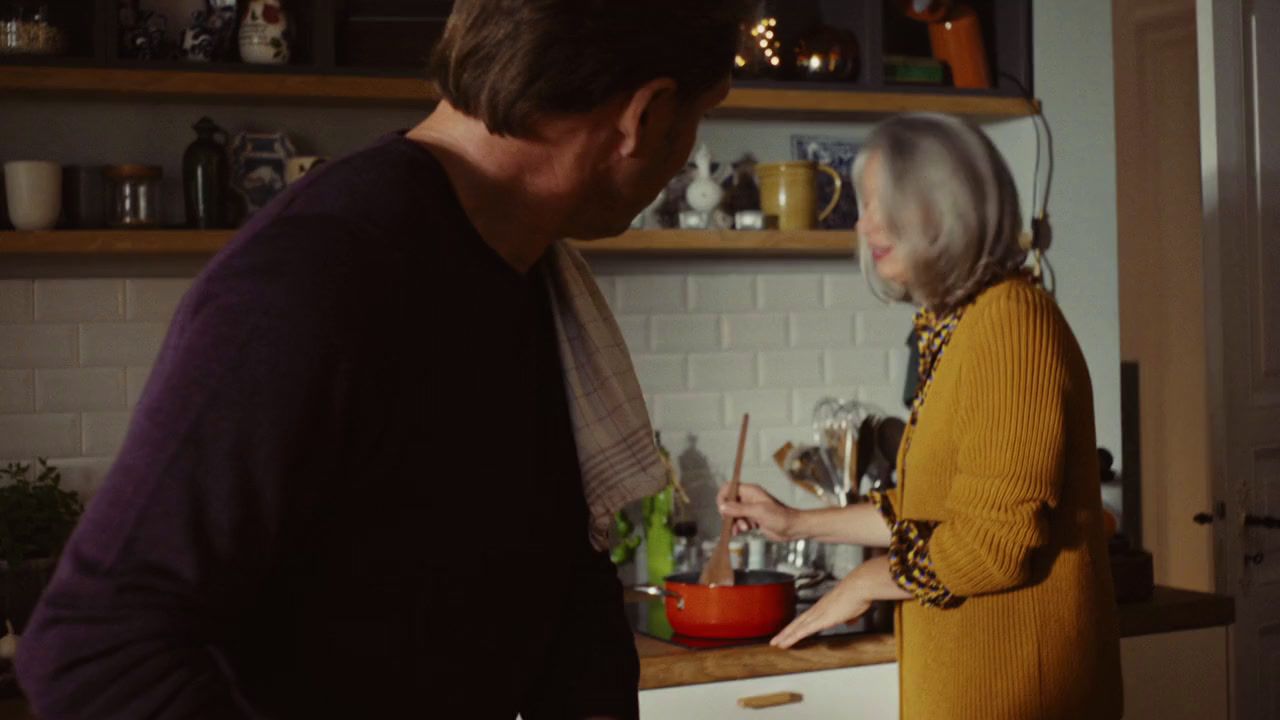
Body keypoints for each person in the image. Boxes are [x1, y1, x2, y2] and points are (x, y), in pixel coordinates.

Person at [16, 2, 748, 718]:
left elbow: (561, 593)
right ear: (644, 116)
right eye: (699, 117)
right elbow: (92, 648)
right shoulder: (323, 270)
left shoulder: (521, 268)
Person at [719, 113, 1124, 720]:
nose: (866, 223)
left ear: (949, 207)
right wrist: (795, 521)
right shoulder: (956, 325)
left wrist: (864, 582)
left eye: (889, 204)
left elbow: (993, 544)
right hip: (967, 688)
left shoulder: (1012, 321)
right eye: (865, 203)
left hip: (1022, 693)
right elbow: (930, 511)